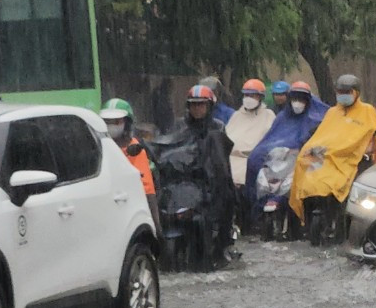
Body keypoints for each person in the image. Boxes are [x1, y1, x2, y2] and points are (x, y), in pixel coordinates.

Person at [289, 74, 376, 229]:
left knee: (339, 181)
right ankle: (309, 211)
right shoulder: (332, 112)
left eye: (347, 92)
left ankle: (339, 219)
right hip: (328, 157)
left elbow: (372, 136)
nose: (343, 95)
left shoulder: (367, 110)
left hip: (352, 158)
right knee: (304, 164)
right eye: (340, 92)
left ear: (356, 93)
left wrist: (355, 150)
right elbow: (324, 136)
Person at [168, 84, 237, 258]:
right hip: (185, 177)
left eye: (201, 105)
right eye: (193, 104)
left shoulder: (218, 127)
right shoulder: (180, 126)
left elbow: (221, 156)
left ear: (209, 106)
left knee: (228, 196)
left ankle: (223, 241)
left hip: (210, 179)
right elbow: (169, 148)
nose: (197, 109)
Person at [246, 81, 329, 221]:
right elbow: (271, 138)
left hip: (304, 159)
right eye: (295, 99)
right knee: (255, 159)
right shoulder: (282, 117)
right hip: (279, 156)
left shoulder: (316, 118)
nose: (297, 103)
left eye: (301, 99)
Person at [100, 97, 159, 234]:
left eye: (116, 121)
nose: (111, 125)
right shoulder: (98, 147)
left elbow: (147, 188)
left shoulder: (135, 148)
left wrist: (156, 224)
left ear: (127, 123)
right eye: (107, 121)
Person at [226, 79, 278, 191]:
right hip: (231, 163)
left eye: (252, 95)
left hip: (254, 164)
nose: (248, 98)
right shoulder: (236, 116)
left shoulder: (268, 116)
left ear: (260, 97)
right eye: (246, 95)